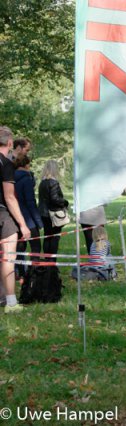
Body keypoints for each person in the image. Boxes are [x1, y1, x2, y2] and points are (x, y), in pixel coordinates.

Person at [0, 126, 31, 313]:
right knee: (8, 259)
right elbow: (10, 197)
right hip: (3, 215)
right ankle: (11, 302)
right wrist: (23, 224)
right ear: (10, 143)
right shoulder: (6, 164)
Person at [14, 156, 43, 280]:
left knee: (20, 247)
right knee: (36, 245)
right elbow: (30, 202)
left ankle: (21, 273)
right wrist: (38, 222)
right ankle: (33, 272)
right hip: (28, 218)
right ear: (27, 165)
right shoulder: (26, 179)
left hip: (15, 216)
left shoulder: (10, 178)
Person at [38, 160, 69, 255]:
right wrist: (65, 202)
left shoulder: (42, 182)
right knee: (55, 239)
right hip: (53, 214)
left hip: (43, 214)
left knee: (47, 237)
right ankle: (52, 265)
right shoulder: (53, 182)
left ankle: (47, 263)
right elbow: (55, 199)